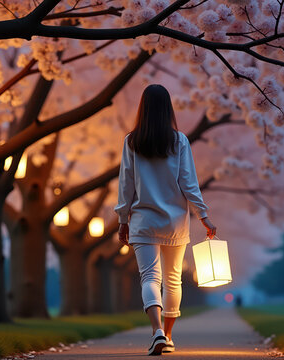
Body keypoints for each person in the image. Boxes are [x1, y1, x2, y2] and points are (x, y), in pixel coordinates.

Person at [114, 84, 216, 356]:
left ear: (143, 109)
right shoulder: (179, 140)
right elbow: (189, 183)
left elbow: (126, 184)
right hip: (174, 222)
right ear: (168, 109)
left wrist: (123, 219)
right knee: (172, 280)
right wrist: (203, 216)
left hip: (143, 220)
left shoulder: (132, 141)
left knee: (149, 277)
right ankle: (168, 336)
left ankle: (156, 331)